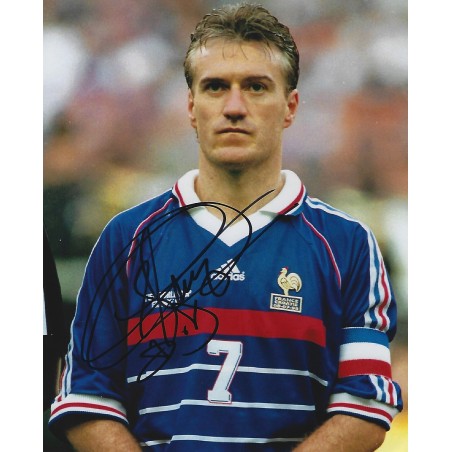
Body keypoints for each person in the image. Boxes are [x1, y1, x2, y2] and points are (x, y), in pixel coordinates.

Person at [48, 4, 403, 450]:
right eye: (216, 87)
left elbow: (365, 406)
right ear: (191, 106)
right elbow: (86, 400)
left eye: (256, 87)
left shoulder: (347, 244)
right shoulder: (126, 239)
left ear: (290, 107)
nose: (234, 107)